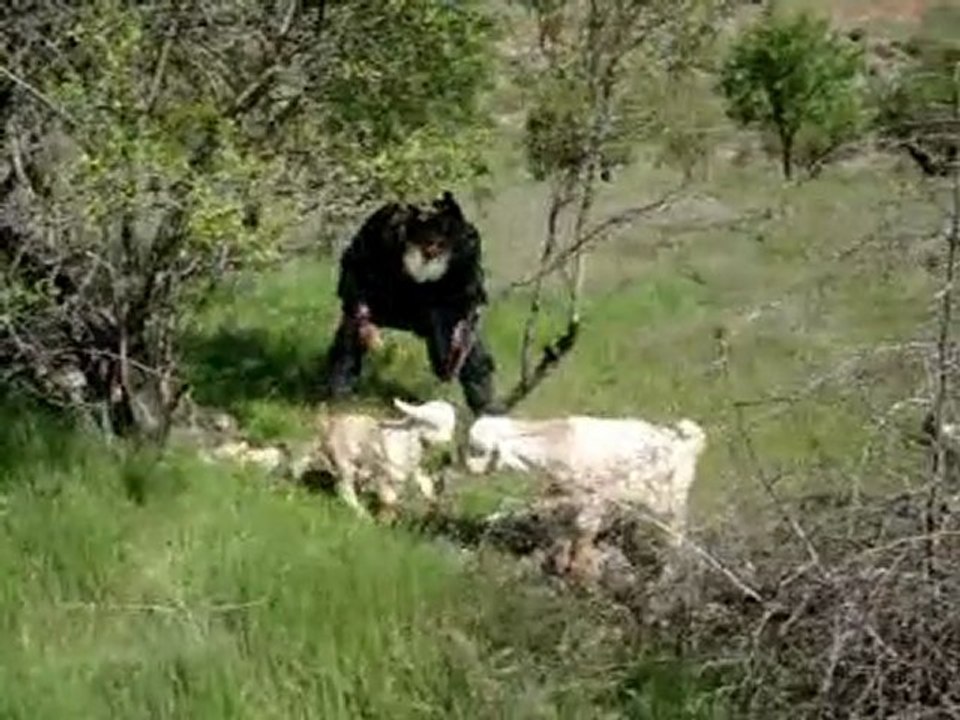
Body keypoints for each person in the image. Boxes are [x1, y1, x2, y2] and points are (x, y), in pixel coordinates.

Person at [323, 191, 503, 416]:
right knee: (350, 333)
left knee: (470, 344)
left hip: (437, 307)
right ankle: (337, 403)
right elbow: (354, 270)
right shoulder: (384, 230)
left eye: (440, 245)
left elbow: (469, 296)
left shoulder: (465, 244)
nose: (432, 250)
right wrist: (363, 319)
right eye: (427, 242)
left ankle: (486, 408)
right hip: (385, 296)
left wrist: (457, 340)